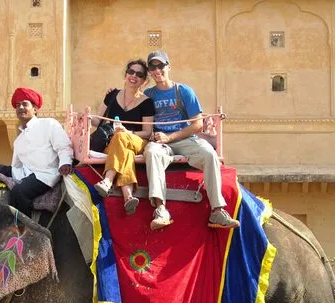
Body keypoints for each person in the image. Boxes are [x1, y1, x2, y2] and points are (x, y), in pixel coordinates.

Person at [143, 50, 240, 230]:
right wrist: (112, 95)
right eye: (152, 67)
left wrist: (170, 137)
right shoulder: (147, 94)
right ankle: (161, 209)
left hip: (184, 139)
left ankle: (217, 209)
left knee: (209, 154)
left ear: (168, 67)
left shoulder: (184, 91)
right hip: (160, 144)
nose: (157, 70)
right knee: (151, 152)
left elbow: (197, 125)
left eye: (160, 66)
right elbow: (130, 104)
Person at [0, 87, 73, 216]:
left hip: (44, 174)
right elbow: (16, 165)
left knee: (20, 191)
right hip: (22, 173)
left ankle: (24, 225)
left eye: (24, 104)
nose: (20, 107)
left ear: (35, 109)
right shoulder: (19, 140)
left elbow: (63, 146)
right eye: (17, 105)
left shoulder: (49, 124)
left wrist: (65, 162)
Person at [92, 59, 155, 215]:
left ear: (144, 81)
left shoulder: (147, 102)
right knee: (125, 152)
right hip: (113, 143)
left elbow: (147, 132)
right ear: (126, 74)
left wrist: (127, 132)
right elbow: (98, 121)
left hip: (137, 140)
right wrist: (85, 118)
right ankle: (128, 196)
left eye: (139, 74)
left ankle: (107, 180)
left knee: (121, 136)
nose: (134, 76)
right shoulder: (112, 95)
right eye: (131, 72)